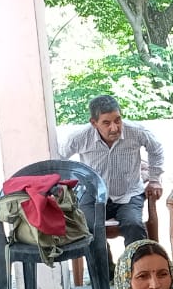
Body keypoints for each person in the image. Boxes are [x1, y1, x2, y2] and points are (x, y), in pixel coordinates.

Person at [60, 94, 165, 246]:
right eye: (106, 123)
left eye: (118, 120)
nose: (114, 128)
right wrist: (71, 183)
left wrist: (155, 180)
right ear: (94, 123)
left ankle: (134, 262)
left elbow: (156, 149)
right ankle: (105, 262)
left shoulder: (136, 132)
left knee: (134, 225)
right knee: (89, 229)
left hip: (129, 194)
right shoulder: (80, 137)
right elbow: (59, 158)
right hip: (93, 195)